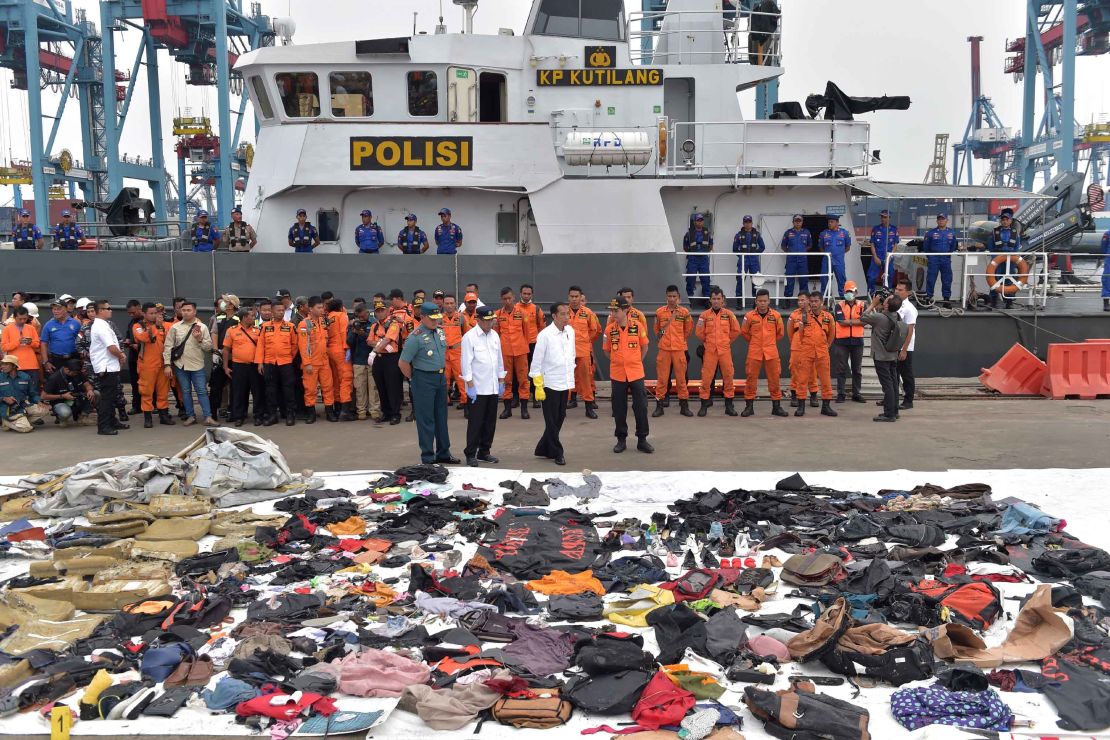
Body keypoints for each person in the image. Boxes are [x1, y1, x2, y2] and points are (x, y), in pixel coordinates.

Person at [399, 302, 459, 464]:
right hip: (423, 379)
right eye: (432, 318)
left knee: (441, 417)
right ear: (423, 317)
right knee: (426, 419)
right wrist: (414, 378)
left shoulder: (439, 332)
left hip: (440, 379)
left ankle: (443, 453)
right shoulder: (415, 337)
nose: (435, 321)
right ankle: (428, 456)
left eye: (437, 318)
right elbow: (403, 363)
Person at [604, 296, 653, 453]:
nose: (613, 314)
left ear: (625, 310)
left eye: (616, 311)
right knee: (618, 408)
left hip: (636, 373)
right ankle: (621, 439)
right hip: (617, 374)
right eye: (611, 311)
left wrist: (636, 361)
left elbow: (645, 346)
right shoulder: (609, 330)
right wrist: (617, 361)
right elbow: (606, 350)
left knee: (641, 407)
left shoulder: (638, 326)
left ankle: (642, 439)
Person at [530, 302, 575, 465]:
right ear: (554, 316)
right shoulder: (545, 335)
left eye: (567, 313)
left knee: (559, 417)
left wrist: (571, 376)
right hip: (549, 383)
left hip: (565, 381)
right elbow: (536, 361)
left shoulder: (570, 331)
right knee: (550, 419)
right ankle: (558, 452)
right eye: (562, 314)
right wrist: (538, 385)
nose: (566, 317)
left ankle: (543, 448)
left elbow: (572, 355)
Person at [462, 305, 506, 466]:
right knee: (476, 422)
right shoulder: (470, 337)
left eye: (491, 321)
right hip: (478, 388)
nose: (490, 324)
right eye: (486, 321)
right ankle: (471, 453)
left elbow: (499, 359)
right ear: (478, 320)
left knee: (490, 422)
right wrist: (470, 386)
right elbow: (465, 364)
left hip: (493, 386)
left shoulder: (494, 335)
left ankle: (484, 451)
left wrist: (501, 381)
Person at [163, 300, 217, 427]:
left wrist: (199, 339)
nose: (186, 312)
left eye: (189, 310)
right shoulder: (175, 327)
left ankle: (208, 416)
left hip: (197, 365)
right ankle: (190, 416)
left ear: (195, 311)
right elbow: (168, 347)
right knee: (186, 391)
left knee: (202, 391)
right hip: (180, 365)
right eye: (184, 310)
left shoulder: (202, 327)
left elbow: (208, 347)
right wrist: (167, 365)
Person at [739, 288, 788, 417]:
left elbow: (780, 333)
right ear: (756, 301)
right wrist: (755, 342)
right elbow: (744, 332)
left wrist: (769, 342)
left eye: (764, 301)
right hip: (754, 351)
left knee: (774, 379)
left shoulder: (776, 316)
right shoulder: (749, 316)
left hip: (771, 351)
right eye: (760, 301)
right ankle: (749, 407)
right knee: (751, 379)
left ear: (769, 301)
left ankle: (776, 407)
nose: (762, 303)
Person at [695, 286, 741, 417]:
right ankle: (704, 405)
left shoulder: (729, 315)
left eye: (718, 299)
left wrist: (725, 342)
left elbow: (736, 330)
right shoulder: (704, 316)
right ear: (710, 300)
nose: (716, 301)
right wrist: (709, 342)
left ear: (723, 300)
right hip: (710, 351)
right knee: (706, 378)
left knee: (728, 377)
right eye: (713, 299)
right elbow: (699, 332)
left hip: (724, 351)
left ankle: (729, 406)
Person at [789, 292, 837, 417]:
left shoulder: (828, 317)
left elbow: (831, 335)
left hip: (822, 352)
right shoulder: (804, 316)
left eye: (816, 301)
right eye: (812, 301)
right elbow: (800, 334)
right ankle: (801, 407)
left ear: (821, 302)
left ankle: (826, 406)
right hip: (806, 351)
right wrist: (806, 345)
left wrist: (825, 346)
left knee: (825, 379)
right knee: (802, 379)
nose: (814, 304)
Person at [862, 293, 905, 422]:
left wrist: (873, 304)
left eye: (885, 300)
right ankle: (894, 411)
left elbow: (863, 317)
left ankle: (889, 414)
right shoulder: (896, 316)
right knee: (893, 384)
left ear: (886, 305)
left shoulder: (880, 317)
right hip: (892, 355)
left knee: (887, 386)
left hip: (881, 356)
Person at [256, 297, 299, 426]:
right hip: (269, 363)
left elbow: (295, 345)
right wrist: (260, 363)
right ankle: (272, 415)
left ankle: (290, 415)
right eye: (278, 310)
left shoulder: (290, 327)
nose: (280, 312)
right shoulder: (265, 327)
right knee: (270, 390)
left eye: (282, 310)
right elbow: (260, 345)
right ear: (272, 312)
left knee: (289, 390)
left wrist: (289, 358)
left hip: (286, 363)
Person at [652, 285, 694, 417]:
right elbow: (657, 330)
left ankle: (684, 406)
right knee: (662, 380)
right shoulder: (659, 312)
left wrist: (679, 341)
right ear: (666, 297)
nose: (671, 299)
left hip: (679, 350)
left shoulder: (684, 313)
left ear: (678, 297)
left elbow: (688, 330)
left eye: (674, 296)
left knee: (681, 380)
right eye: (669, 296)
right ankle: (659, 406)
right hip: (664, 350)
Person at [131, 302, 175, 427]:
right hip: (147, 365)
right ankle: (148, 417)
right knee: (146, 391)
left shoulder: (163, 326)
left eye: (155, 313)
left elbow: (170, 340)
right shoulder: (138, 326)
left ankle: (163, 415)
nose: (154, 315)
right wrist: (156, 326)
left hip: (162, 364)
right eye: (151, 313)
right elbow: (143, 338)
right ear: (144, 314)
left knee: (163, 391)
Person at [91, 300, 129, 435]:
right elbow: (111, 347)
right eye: (108, 308)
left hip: (110, 365)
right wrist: (121, 356)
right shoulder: (101, 327)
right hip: (106, 366)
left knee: (112, 396)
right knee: (107, 397)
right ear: (100, 310)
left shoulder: (104, 325)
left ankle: (112, 421)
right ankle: (104, 426)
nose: (111, 310)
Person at [494, 287, 530, 420]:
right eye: (505, 299)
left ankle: (524, 409)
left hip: (520, 351)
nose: (507, 301)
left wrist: (523, 346)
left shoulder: (522, 313)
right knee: (505, 380)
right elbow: (496, 334)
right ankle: (507, 409)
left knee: (523, 380)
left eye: (509, 298)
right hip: (505, 352)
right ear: (501, 299)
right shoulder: (497, 315)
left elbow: (527, 333)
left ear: (514, 297)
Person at [298, 296, 335, 423]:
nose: (322, 310)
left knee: (328, 387)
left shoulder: (323, 321)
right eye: (319, 308)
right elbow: (303, 346)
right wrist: (307, 363)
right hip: (311, 363)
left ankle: (330, 412)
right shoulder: (304, 324)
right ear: (310, 308)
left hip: (324, 361)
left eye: (322, 307)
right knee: (310, 389)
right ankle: (311, 414)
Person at [224, 306, 263, 426]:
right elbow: (226, 350)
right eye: (252, 316)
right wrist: (225, 367)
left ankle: (258, 415)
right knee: (239, 392)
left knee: (257, 392)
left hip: (254, 366)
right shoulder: (232, 330)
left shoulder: (258, 331)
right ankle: (239, 416)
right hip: (239, 366)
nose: (254, 317)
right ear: (245, 317)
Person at [566, 285, 601, 418]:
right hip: (567, 352)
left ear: (581, 297)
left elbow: (596, 330)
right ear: (568, 297)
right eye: (572, 296)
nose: (574, 299)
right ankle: (570, 400)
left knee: (586, 379)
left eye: (577, 297)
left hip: (583, 351)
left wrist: (586, 341)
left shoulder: (588, 313)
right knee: (568, 378)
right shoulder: (563, 312)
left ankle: (588, 407)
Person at [831, 280, 866, 404]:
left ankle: (857, 393)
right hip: (842, 342)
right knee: (841, 369)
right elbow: (840, 322)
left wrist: (849, 322)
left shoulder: (862, 305)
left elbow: (865, 321)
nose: (849, 294)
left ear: (856, 292)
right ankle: (841, 394)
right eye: (847, 292)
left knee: (857, 369)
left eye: (851, 291)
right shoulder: (838, 305)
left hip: (857, 341)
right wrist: (856, 321)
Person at [370, 299, 404, 424]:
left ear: (387, 311)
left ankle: (395, 414)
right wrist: (381, 344)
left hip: (391, 359)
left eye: (382, 310)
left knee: (393, 387)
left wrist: (376, 348)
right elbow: (369, 341)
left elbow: (388, 339)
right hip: (379, 359)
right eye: (377, 311)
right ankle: (386, 412)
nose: (380, 313)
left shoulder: (393, 324)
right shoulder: (374, 326)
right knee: (381, 386)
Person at [208, 295, 241, 420]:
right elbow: (214, 332)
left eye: (226, 302)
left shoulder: (239, 318)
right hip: (221, 356)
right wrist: (216, 351)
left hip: (235, 358)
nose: (223, 304)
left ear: (232, 305)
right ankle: (212, 414)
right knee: (216, 386)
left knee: (236, 387)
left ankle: (234, 413)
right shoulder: (219, 317)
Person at [347, 302, 381, 421]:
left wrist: (363, 334)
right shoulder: (354, 324)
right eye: (359, 317)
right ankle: (361, 410)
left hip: (372, 359)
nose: (361, 319)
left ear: (367, 312)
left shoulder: (374, 324)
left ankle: (374, 410)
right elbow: (349, 342)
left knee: (373, 387)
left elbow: (376, 341)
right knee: (360, 387)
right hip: (358, 360)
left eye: (362, 316)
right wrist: (353, 331)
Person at [325, 298, 357, 421]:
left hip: (330, 350)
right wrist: (347, 347)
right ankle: (345, 409)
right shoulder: (341, 316)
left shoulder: (329, 317)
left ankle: (338, 406)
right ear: (340, 307)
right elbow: (344, 332)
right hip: (340, 350)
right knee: (346, 378)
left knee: (336, 379)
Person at [0, 354, 48, 432]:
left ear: (14, 366)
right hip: (6, 409)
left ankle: (17, 422)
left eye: (6, 364)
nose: (2, 366)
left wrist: (39, 401)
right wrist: (4, 398)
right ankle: (7, 421)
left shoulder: (25, 377)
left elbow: (32, 393)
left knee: (45, 410)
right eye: (2, 364)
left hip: (22, 405)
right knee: (26, 428)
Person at [41, 358, 95, 426]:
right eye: (74, 373)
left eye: (77, 373)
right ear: (66, 369)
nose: (76, 374)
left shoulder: (78, 373)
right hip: (61, 401)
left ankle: (82, 417)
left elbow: (87, 384)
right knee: (65, 413)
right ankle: (62, 418)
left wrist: (90, 390)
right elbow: (43, 396)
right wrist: (62, 396)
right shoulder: (54, 378)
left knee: (96, 394)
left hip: (76, 398)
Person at [517, 284, 546, 409]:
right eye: (524, 293)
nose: (527, 296)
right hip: (519, 344)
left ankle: (535, 397)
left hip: (534, 344)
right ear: (520, 294)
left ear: (532, 295)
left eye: (529, 294)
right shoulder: (515, 308)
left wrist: (538, 340)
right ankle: (516, 397)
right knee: (519, 372)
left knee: (534, 370)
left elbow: (542, 326)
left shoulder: (536, 309)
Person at [441, 294, 469, 418]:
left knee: (461, 379)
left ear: (455, 304)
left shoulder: (461, 318)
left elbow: (467, 335)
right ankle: (444, 401)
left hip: (458, 352)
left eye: (451, 303)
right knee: (443, 379)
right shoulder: (439, 319)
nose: (449, 305)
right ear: (443, 304)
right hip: (444, 352)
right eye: (447, 303)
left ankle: (465, 402)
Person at [988, 207, 1023, 309]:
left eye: (1006, 219)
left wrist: (1013, 258)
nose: (1004, 221)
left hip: (1010, 260)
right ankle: (993, 301)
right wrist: (996, 258)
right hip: (998, 259)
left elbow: (1017, 247)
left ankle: (1009, 301)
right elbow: (991, 247)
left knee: (1009, 279)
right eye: (1003, 219)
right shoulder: (994, 232)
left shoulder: (1015, 233)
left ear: (1010, 221)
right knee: (995, 278)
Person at [1, 306, 41, 388]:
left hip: (31, 365)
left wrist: (31, 342)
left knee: (33, 390)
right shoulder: (7, 329)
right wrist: (17, 342)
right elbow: (4, 347)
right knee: (16, 391)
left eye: (25, 319)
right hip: (15, 366)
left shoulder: (31, 328)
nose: (22, 321)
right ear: (15, 317)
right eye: (20, 319)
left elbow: (37, 344)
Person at [923, 213, 957, 308]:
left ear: (947, 220)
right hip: (934, 258)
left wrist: (947, 255)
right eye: (939, 219)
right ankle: (928, 298)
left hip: (945, 258)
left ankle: (946, 300)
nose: (941, 221)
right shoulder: (930, 233)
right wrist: (931, 257)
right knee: (931, 279)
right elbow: (926, 247)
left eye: (943, 219)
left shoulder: (951, 233)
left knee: (947, 279)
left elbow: (953, 246)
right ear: (937, 221)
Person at [893, 278, 917, 410]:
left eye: (900, 290)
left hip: (905, 346)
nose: (897, 291)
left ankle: (909, 400)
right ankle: (892, 398)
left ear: (908, 292)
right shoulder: (896, 304)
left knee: (906, 373)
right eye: (896, 289)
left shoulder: (909, 309)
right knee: (893, 373)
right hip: (894, 344)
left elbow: (910, 330)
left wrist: (904, 349)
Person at [40, 299, 82, 375]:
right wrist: (45, 362)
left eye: (59, 309)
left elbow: (81, 341)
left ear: (66, 309)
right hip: (56, 360)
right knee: (57, 383)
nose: (55, 311)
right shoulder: (48, 325)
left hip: (73, 358)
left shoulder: (76, 323)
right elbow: (43, 343)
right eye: (54, 309)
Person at [732, 215, 766, 307]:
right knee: (740, 280)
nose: (748, 224)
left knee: (756, 281)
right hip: (743, 260)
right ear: (743, 223)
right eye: (746, 222)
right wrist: (741, 256)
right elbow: (734, 249)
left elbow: (762, 247)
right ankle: (739, 302)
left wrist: (754, 253)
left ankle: (756, 303)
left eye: (749, 222)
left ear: (752, 223)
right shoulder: (738, 235)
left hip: (754, 260)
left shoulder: (757, 234)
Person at [817, 213, 852, 297]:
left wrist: (839, 253)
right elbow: (821, 247)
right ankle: (825, 299)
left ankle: (843, 299)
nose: (829, 223)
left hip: (839, 261)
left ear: (837, 222)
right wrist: (827, 255)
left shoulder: (844, 233)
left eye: (832, 222)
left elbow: (847, 247)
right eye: (829, 222)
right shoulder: (823, 234)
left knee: (842, 280)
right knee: (824, 280)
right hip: (827, 261)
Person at [682, 213, 713, 301]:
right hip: (693, 258)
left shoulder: (708, 233)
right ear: (695, 222)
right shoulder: (688, 234)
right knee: (690, 280)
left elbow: (710, 246)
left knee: (706, 280)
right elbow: (685, 247)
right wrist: (693, 253)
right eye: (698, 220)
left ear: (703, 222)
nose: (699, 222)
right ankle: (690, 300)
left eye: (701, 220)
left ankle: (707, 300)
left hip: (703, 259)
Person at [867, 209, 899, 294]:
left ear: (889, 218)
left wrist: (890, 256)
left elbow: (895, 245)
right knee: (871, 277)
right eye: (881, 217)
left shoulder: (894, 229)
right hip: (877, 257)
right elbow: (872, 244)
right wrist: (875, 257)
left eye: (885, 217)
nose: (883, 219)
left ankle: (887, 293)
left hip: (888, 257)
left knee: (890, 276)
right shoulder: (875, 229)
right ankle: (872, 293)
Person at [781, 215, 813, 298]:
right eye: (796, 221)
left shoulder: (806, 232)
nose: (798, 223)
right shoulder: (788, 232)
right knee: (789, 280)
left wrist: (803, 251)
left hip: (803, 260)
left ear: (802, 222)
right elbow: (783, 246)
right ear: (793, 222)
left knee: (803, 280)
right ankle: (787, 299)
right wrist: (790, 252)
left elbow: (810, 245)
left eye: (799, 221)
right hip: (791, 260)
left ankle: (804, 300)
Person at [1102, 228, 1110, 312]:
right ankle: (1106, 303)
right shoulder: (1108, 233)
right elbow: (1104, 247)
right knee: (1107, 279)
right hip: (1109, 259)